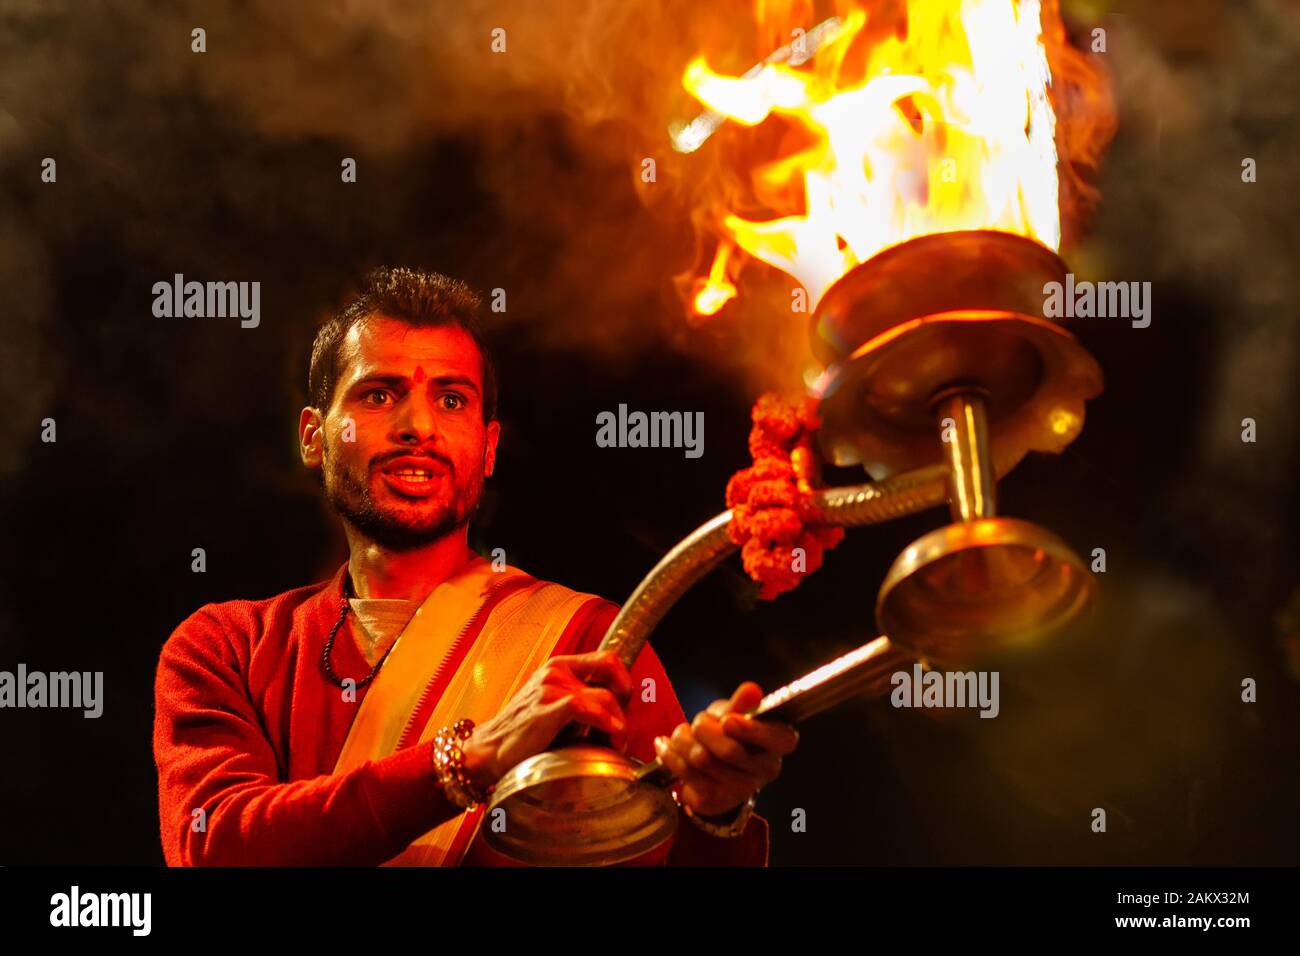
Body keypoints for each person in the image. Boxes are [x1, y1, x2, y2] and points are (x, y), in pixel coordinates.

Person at [152, 266, 799, 866]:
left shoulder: (591, 642)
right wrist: (471, 759)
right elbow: (212, 845)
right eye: (379, 395)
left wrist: (715, 815)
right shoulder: (226, 647)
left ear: (487, 448)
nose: (418, 426)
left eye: (452, 400)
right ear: (314, 436)